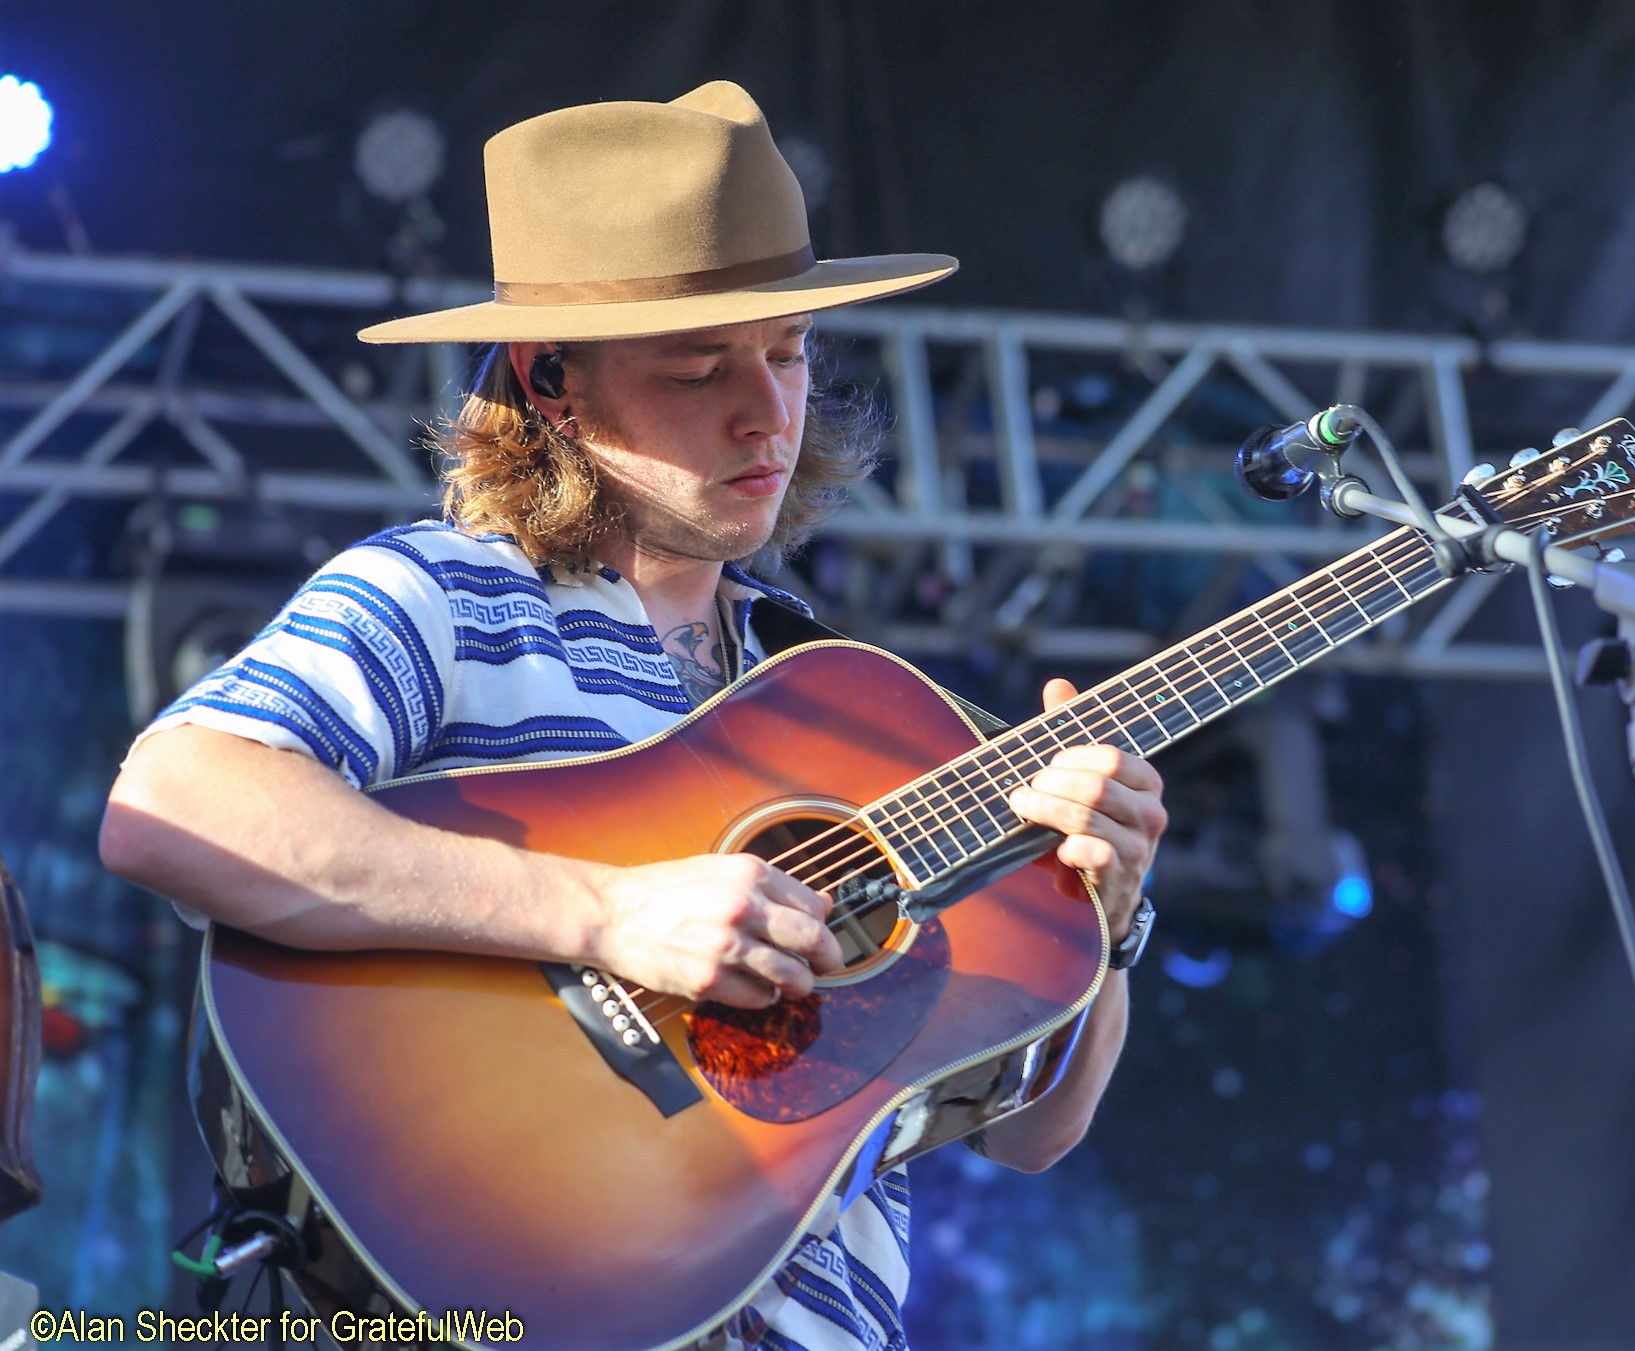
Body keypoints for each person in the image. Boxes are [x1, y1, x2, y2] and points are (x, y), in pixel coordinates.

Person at [100, 81, 1166, 1350]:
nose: (768, 411)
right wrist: (608, 913)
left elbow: (1034, 1134)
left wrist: (1104, 921)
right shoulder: (448, 592)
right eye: (698, 367)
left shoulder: (847, 699)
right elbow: (173, 805)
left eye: (788, 351)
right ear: (553, 381)